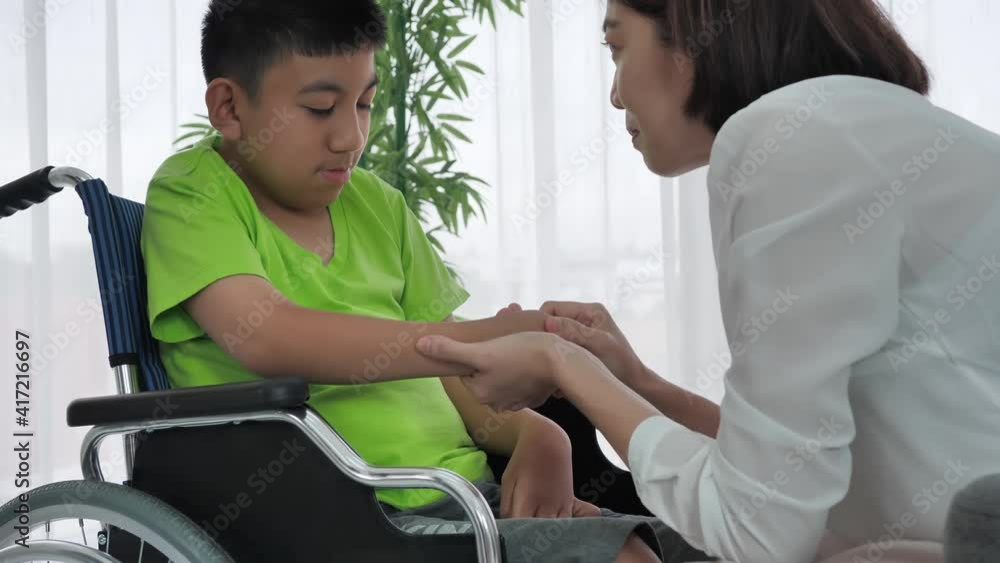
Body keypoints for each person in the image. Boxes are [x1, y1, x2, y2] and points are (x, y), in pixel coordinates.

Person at [414, 1, 1000, 562]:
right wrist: (635, 381)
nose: (615, 93)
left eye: (617, 48)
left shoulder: (790, 138)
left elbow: (755, 530)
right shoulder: (869, 125)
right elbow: (791, 473)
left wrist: (562, 362)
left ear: (692, 32)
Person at [140, 1, 710, 562]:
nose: (350, 137)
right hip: (348, 518)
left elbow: (450, 377)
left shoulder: (379, 206)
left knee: (714, 544)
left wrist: (537, 435)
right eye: (320, 108)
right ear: (229, 107)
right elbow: (267, 336)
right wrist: (492, 337)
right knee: (628, 555)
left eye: (364, 104)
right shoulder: (193, 191)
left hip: (465, 499)